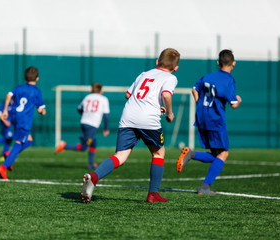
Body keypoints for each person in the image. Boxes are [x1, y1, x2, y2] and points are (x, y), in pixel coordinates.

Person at [81, 48, 180, 203]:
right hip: (148, 119)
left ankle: (94, 176)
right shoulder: (170, 77)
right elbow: (166, 94)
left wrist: (154, 104)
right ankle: (153, 194)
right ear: (176, 68)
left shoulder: (144, 74)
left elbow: (128, 95)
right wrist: (169, 112)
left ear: (157, 62)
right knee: (158, 153)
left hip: (128, 116)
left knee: (120, 156)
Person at [176, 49, 242, 194]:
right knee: (224, 154)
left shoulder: (208, 76)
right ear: (233, 63)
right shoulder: (229, 80)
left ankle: (191, 154)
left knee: (216, 153)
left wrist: (200, 104)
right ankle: (205, 186)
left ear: (218, 63)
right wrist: (238, 99)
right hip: (215, 119)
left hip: (201, 117)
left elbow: (194, 90)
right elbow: (233, 104)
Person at [0, 66, 46, 180]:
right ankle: (3, 167)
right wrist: (43, 111)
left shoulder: (19, 88)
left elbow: (8, 95)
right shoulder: (37, 91)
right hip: (24, 120)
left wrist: (5, 111)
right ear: (37, 78)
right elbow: (40, 109)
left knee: (29, 140)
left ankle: (8, 155)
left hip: (15, 117)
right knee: (18, 144)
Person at [54, 82, 110, 169]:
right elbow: (106, 116)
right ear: (101, 91)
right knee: (84, 147)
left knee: (93, 142)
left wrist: (86, 115)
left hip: (84, 122)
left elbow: (79, 109)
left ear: (91, 90)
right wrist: (106, 129)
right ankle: (64, 146)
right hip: (92, 124)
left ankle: (91, 164)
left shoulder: (87, 97)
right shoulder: (104, 99)